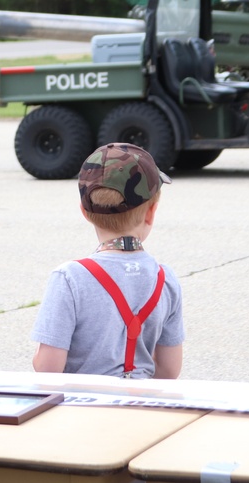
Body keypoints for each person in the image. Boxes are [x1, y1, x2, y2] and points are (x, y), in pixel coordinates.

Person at [31, 143, 184, 379]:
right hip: (143, 409)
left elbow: (47, 368)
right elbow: (169, 370)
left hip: (85, 410)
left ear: (84, 211)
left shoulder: (70, 278)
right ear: (151, 212)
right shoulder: (165, 278)